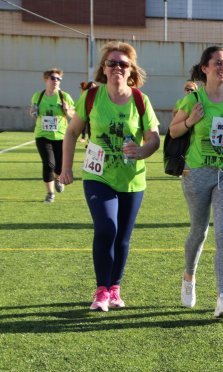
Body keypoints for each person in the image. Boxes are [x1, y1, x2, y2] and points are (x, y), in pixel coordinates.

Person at [59, 41, 160, 312]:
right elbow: (71, 132)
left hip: (132, 178)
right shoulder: (91, 97)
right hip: (97, 175)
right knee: (106, 228)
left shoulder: (141, 100)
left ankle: (115, 287)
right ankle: (101, 290)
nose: (117, 67)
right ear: (103, 69)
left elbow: (154, 138)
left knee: (123, 236)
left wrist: (140, 151)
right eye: (112, 63)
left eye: (123, 64)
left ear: (131, 71)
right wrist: (65, 168)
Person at [169, 46, 223, 318]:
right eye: (218, 63)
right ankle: (189, 277)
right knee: (199, 231)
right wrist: (191, 120)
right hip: (197, 172)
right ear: (205, 68)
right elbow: (173, 130)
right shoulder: (194, 98)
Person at [30, 68, 75, 203]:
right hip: (42, 135)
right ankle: (50, 193)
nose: (56, 81)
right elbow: (33, 112)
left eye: (58, 79)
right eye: (53, 78)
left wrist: (67, 110)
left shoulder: (64, 96)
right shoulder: (38, 96)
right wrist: (32, 112)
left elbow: (73, 115)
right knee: (48, 164)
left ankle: (58, 178)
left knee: (59, 166)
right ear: (46, 80)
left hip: (61, 136)